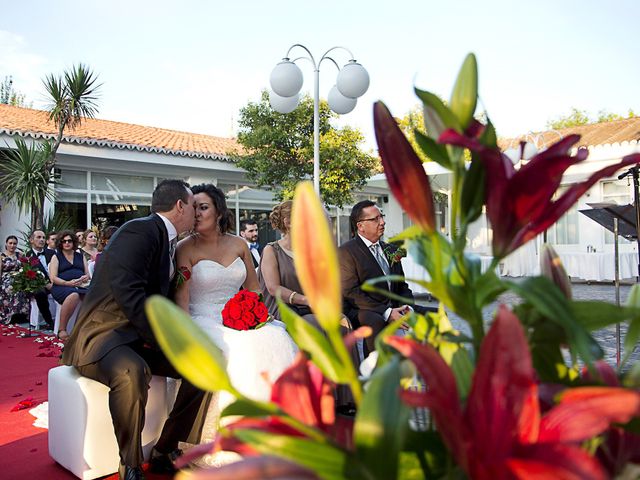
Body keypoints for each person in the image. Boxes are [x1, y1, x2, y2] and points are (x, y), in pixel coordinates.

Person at [62, 180, 209, 480]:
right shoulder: (139, 231)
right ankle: (130, 464)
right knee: (131, 371)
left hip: (138, 337)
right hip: (105, 336)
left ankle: (164, 449)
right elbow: (129, 294)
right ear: (180, 205)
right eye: (194, 205)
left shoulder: (170, 242)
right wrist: (161, 341)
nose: (197, 212)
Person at [174, 184, 297, 466]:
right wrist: (183, 335)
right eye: (194, 207)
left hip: (239, 315)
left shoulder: (239, 244)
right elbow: (182, 297)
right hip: (203, 317)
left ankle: (274, 431)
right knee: (238, 351)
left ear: (218, 210)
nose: (197, 213)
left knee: (274, 338)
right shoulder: (185, 248)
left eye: (203, 206)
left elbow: (253, 290)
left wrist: (254, 315)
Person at [339, 200, 429, 356]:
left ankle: (436, 372)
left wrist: (407, 308)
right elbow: (352, 292)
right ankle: (374, 371)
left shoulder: (391, 249)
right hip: (361, 309)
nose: (382, 222)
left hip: (395, 306)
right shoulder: (346, 252)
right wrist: (387, 312)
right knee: (375, 320)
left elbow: (402, 286)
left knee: (436, 315)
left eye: (382, 217)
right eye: (375, 219)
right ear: (360, 226)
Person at [258, 201, 315, 325]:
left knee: (342, 320)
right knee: (315, 324)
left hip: (309, 308)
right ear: (288, 223)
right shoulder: (271, 250)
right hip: (282, 310)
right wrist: (306, 300)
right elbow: (273, 288)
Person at [49, 231, 90, 342]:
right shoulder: (56, 257)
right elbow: (53, 278)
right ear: (60, 243)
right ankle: (62, 329)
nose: (67, 243)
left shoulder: (80, 256)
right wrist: (68, 283)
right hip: (61, 286)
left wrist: (85, 278)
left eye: (69, 241)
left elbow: (88, 274)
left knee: (92, 296)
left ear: (74, 242)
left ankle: (84, 328)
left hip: (81, 285)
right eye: (64, 241)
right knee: (74, 295)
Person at [24, 230, 55, 330]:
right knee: (40, 293)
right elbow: (30, 275)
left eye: (43, 237)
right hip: (38, 285)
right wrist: (46, 284)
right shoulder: (28, 256)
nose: (41, 240)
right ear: (31, 240)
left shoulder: (52, 253)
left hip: (56, 281)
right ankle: (49, 321)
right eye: (38, 237)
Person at [0, 235, 30, 324]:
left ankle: (21, 315)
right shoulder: (1, 256)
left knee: (23, 288)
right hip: (6, 279)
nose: (12, 245)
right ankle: (9, 316)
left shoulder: (20, 255)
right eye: (10, 243)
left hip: (19, 278)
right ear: (6, 244)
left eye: (14, 243)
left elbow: (26, 268)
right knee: (10, 287)